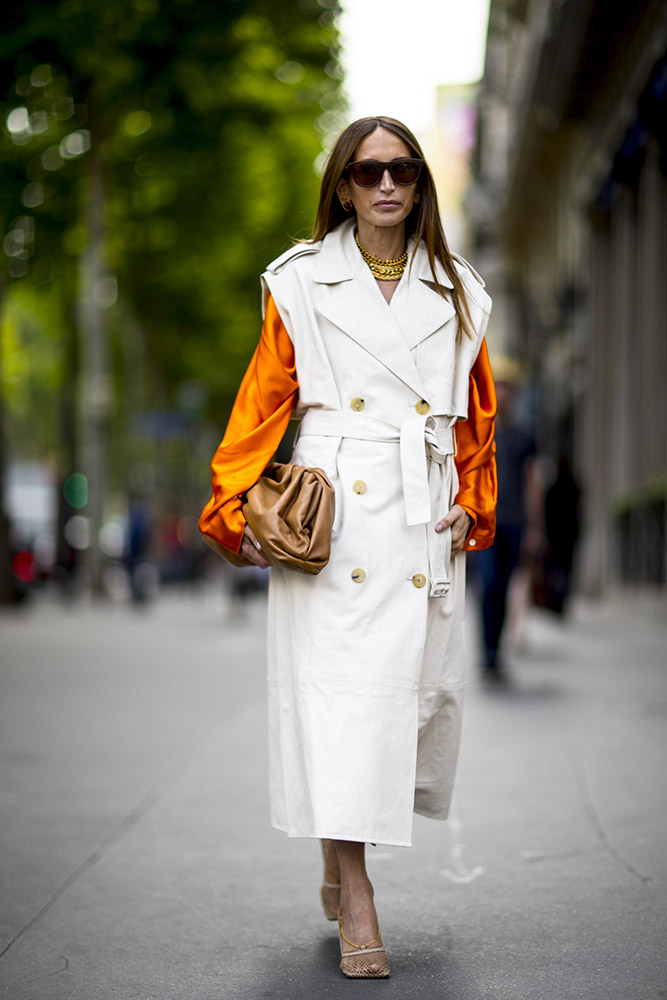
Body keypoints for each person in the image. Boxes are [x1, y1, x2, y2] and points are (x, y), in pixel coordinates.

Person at [198, 116, 497, 979]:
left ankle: (338, 856)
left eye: (403, 170)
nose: (387, 186)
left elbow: (475, 417)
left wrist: (470, 503)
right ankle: (357, 891)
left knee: (396, 708)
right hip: (336, 520)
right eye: (368, 173)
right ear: (342, 185)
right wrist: (231, 509)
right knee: (344, 704)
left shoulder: (459, 290)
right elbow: (262, 402)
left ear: (419, 184)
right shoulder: (300, 282)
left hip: (419, 513)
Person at [474, 357, 541, 680]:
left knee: (501, 587)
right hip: (485, 522)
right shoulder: (478, 433)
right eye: (498, 387)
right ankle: (485, 652)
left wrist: (535, 528)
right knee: (486, 584)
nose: (502, 394)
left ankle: (495, 652)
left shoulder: (524, 438)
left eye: (508, 389)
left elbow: (532, 484)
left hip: (514, 523)